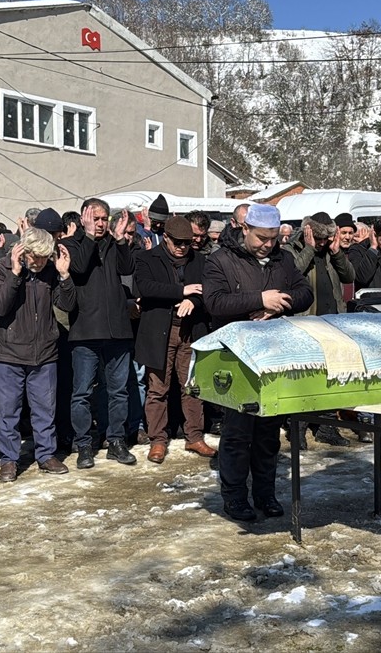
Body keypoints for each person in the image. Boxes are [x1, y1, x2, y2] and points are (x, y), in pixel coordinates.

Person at [204, 204, 313, 522]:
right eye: (262, 238)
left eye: (272, 239)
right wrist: (259, 299)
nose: (267, 244)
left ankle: (265, 493)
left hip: (273, 352)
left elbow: (303, 292)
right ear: (245, 230)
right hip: (235, 355)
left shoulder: (283, 259)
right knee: (238, 432)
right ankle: (235, 497)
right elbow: (215, 302)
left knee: (268, 430)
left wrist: (278, 305)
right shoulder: (221, 260)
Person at [0, 227, 76, 481]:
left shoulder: (50, 270)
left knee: (45, 409)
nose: (39, 262)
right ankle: (8, 460)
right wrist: (15, 274)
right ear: (23, 251)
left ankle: (46, 454)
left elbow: (67, 305)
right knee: (8, 411)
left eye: (44, 257)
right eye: (35, 256)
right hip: (7, 353)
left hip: (44, 351)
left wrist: (64, 275)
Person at [59, 199, 139, 469]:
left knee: (118, 390)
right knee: (81, 393)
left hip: (117, 330)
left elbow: (128, 268)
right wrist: (90, 237)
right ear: (84, 218)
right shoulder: (71, 244)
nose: (101, 223)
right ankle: (83, 445)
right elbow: (79, 267)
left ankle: (115, 440)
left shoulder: (113, 243)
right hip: (85, 331)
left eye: (104, 218)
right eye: (95, 218)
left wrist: (119, 240)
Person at [133, 216, 217, 464]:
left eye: (187, 242)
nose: (182, 247)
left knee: (191, 387)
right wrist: (181, 292)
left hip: (190, 332)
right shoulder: (147, 258)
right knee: (158, 388)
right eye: (178, 242)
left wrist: (195, 300)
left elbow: (210, 291)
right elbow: (145, 287)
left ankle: (194, 436)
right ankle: (157, 440)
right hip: (160, 332)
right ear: (166, 238)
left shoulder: (199, 260)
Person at [285, 213, 357, 447]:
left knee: (330, 377)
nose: (323, 243)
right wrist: (308, 248)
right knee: (304, 378)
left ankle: (326, 427)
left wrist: (336, 253)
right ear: (308, 232)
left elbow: (349, 276)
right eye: (319, 237)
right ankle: (298, 428)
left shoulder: (330, 251)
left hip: (332, 322)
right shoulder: (291, 249)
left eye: (327, 238)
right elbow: (290, 274)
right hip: (305, 322)